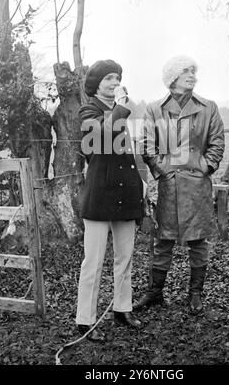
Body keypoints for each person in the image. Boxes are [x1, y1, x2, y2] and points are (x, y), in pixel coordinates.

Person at [134, 55, 225, 315]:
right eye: (186, 71)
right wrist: (164, 171)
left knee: (198, 241)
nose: (192, 75)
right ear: (172, 77)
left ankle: (195, 294)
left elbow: (217, 142)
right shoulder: (155, 109)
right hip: (169, 186)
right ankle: (155, 292)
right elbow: (147, 146)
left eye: (194, 71)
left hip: (197, 185)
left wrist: (205, 167)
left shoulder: (209, 107)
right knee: (163, 239)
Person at [76, 59, 144, 340]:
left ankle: (122, 308)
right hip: (99, 196)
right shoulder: (88, 111)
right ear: (96, 84)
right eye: (109, 79)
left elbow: (131, 152)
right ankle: (85, 320)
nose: (115, 83)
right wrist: (122, 108)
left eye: (117, 78)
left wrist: (142, 182)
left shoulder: (120, 112)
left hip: (126, 193)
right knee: (92, 261)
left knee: (125, 257)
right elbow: (102, 138)